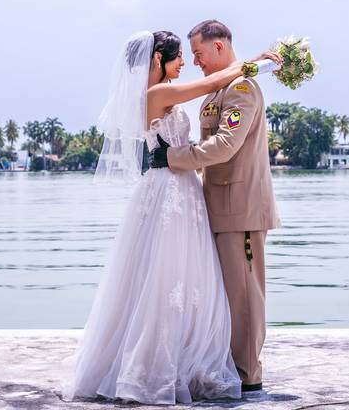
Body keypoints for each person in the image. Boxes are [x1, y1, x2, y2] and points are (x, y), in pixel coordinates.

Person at [62, 29, 280, 405]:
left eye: (193, 53)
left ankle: (220, 365)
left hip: (187, 194)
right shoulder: (158, 94)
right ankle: (189, 367)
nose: (187, 62)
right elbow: (211, 83)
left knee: (181, 282)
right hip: (172, 193)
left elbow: (214, 129)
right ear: (156, 61)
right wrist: (259, 61)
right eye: (180, 55)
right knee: (168, 282)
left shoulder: (196, 93)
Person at [149, 19, 281, 391]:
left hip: (240, 208)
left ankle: (248, 373)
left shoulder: (241, 90)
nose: (196, 62)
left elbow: (224, 145)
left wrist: (172, 158)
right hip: (219, 207)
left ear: (220, 47)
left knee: (245, 295)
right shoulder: (218, 91)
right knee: (228, 294)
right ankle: (230, 365)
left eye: (199, 53)